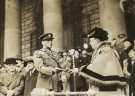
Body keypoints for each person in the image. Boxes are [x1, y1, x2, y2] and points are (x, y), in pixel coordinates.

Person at [79, 27, 128, 96]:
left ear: (97, 40)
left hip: (109, 91)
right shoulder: (104, 50)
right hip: (108, 90)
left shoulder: (105, 50)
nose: (90, 43)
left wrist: (81, 69)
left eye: (91, 41)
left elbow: (96, 68)